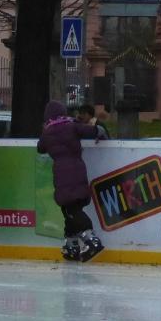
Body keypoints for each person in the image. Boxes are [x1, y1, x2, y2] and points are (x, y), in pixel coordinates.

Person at [37, 100, 104, 262]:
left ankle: (91, 239)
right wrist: (100, 131)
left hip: (61, 173)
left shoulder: (47, 132)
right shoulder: (72, 126)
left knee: (72, 210)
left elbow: (40, 148)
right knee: (69, 209)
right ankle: (71, 244)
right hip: (78, 169)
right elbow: (93, 131)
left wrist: (46, 130)